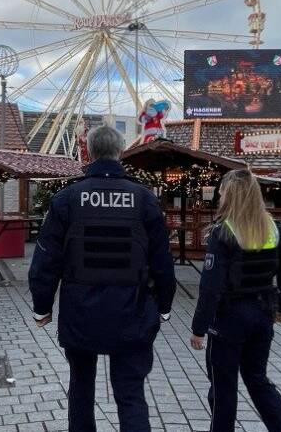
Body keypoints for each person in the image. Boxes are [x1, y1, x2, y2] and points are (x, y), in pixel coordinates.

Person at [29, 125, 176, 432]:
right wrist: (164, 305)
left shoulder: (67, 198)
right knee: (131, 393)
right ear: (120, 152)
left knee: (81, 389)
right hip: (132, 311)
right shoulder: (144, 199)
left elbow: (46, 258)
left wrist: (42, 306)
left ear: (90, 152)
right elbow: (162, 261)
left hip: (81, 312)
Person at [189, 169, 281, 432]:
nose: (219, 196)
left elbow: (211, 286)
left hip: (230, 319)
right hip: (263, 314)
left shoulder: (223, 231)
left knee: (223, 386)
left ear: (230, 195)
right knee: (258, 379)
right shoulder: (273, 228)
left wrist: (199, 328)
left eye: (222, 192)